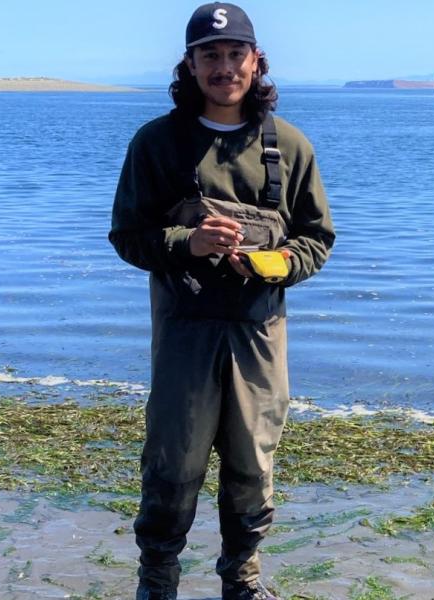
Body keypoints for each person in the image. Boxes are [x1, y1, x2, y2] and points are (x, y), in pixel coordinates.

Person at [109, 3, 335, 599]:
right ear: (189, 63)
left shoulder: (288, 145)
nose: (224, 66)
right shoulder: (156, 143)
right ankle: (157, 581)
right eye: (210, 54)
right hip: (184, 334)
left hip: (259, 337)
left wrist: (281, 261)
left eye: (236, 54)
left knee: (252, 465)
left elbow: (317, 238)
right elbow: (128, 237)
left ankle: (243, 579)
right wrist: (189, 241)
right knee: (173, 463)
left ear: (256, 62)